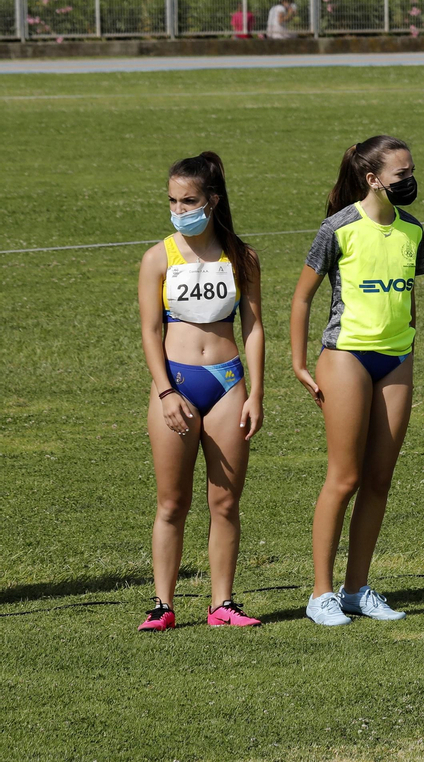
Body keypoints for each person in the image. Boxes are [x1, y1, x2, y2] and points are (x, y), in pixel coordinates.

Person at [291, 135, 424, 627]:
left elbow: (408, 296)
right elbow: (303, 296)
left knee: (380, 479)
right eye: (400, 175)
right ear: (373, 179)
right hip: (346, 356)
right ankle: (320, 594)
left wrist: (408, 344)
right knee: (344, 478)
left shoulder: (412, 231)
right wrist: (300, 363)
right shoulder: (339, 228)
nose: (409, 181)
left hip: (396, 360)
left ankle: (356, 590)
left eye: (411, 172)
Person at [135, 152, 265, 631]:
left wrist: (256, 393)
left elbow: (252, 327)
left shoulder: (242, 257)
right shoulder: (158, 257)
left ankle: (222, 605)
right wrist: (167, 393)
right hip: (177, 384)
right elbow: (150, 331)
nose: (178, 208)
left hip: (228, 383)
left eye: (188, 200)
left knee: (225, 503)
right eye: (171, 200)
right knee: (172, 503)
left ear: (212, 200)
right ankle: (162, 606)